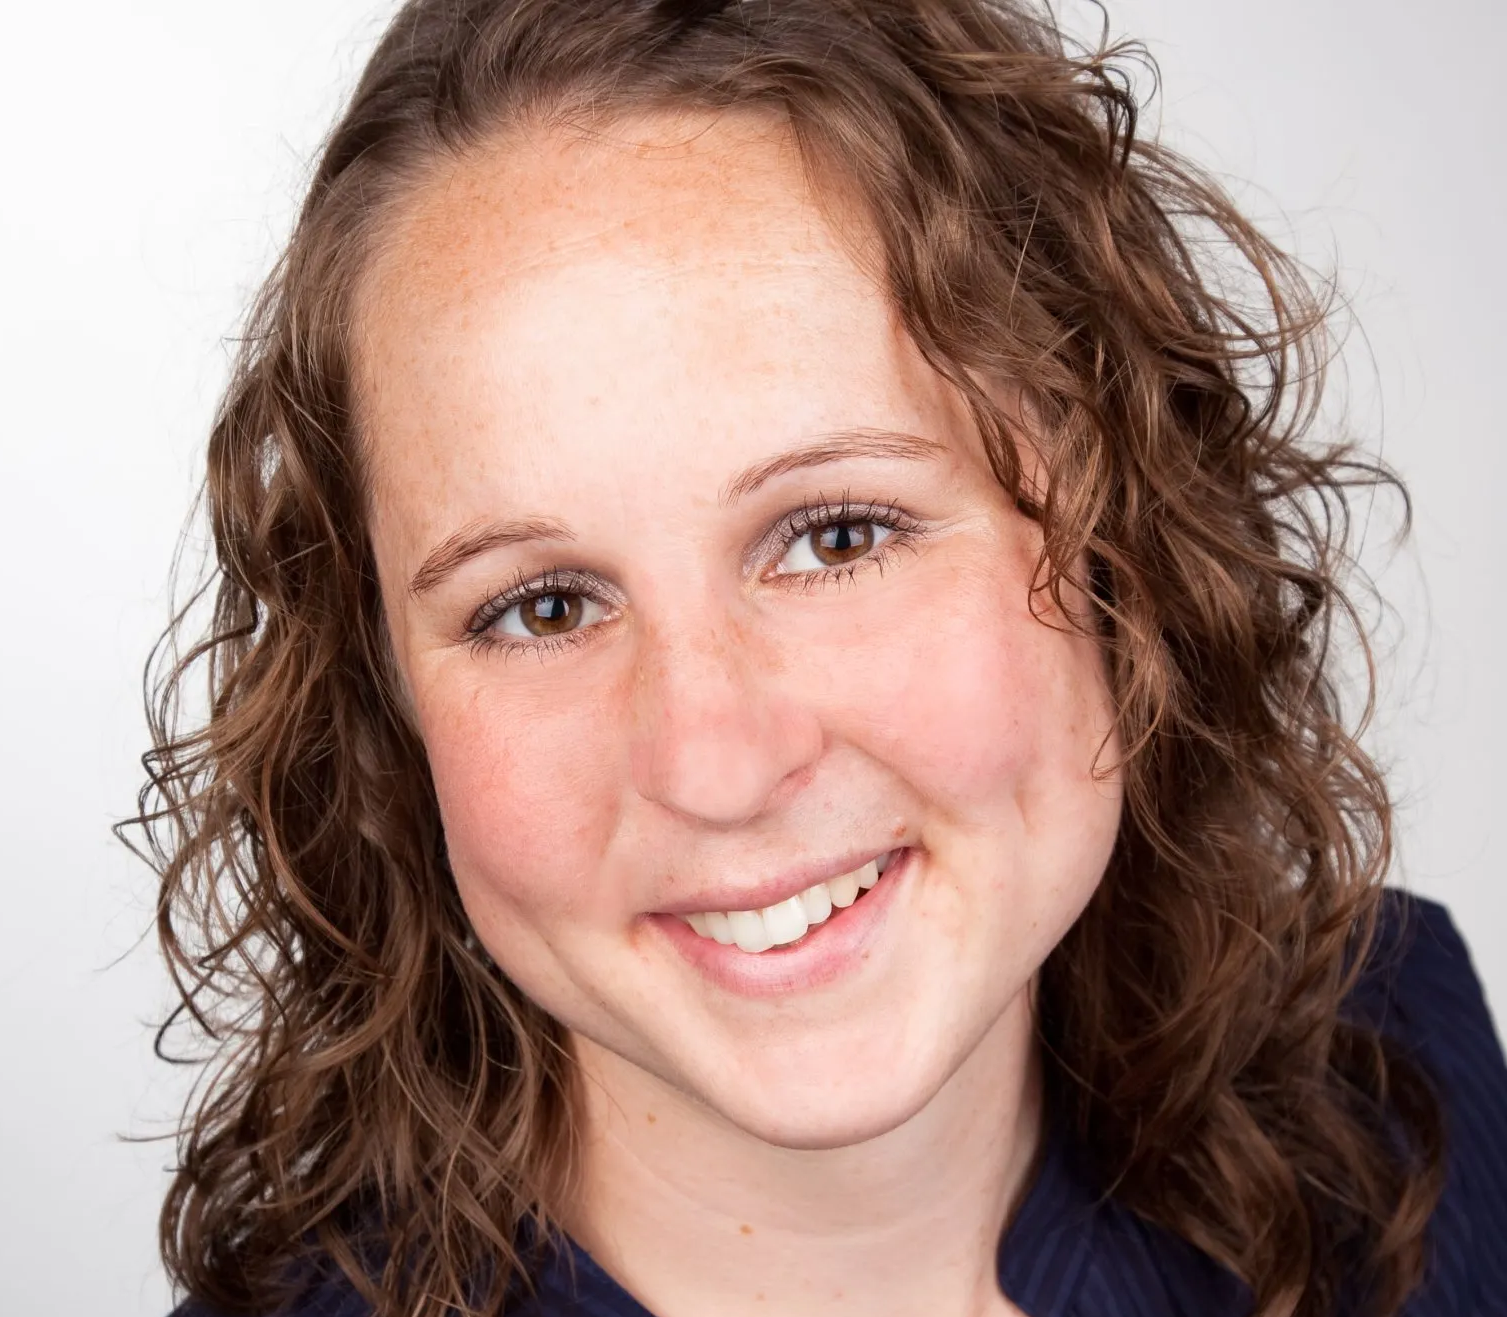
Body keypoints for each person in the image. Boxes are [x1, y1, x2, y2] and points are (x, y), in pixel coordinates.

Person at [123, 1, 1507, 1314]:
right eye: (542, 608)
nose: (716, 764)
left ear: (1117, 520)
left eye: (839, 536)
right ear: (385, 698)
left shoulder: (1393, 1088)